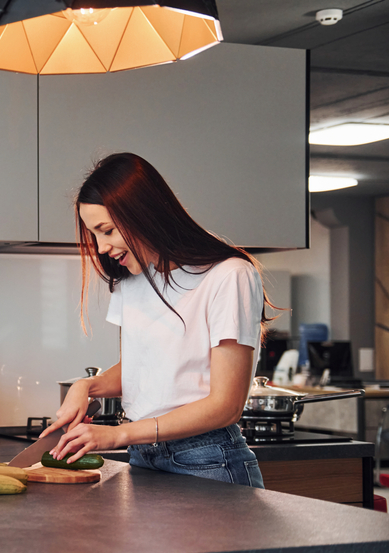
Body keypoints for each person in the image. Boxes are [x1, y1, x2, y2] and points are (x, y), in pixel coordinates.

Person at [39, 153, 276, 489]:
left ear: (143, 213)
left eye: (106, 230)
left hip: (207, 458)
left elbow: (226, 406)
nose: (102, 247)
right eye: (95, 235)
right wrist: (86, 386)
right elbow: (142, 367)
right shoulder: (131, 280)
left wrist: (119, 434)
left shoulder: (229, 275)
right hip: (144, 458)